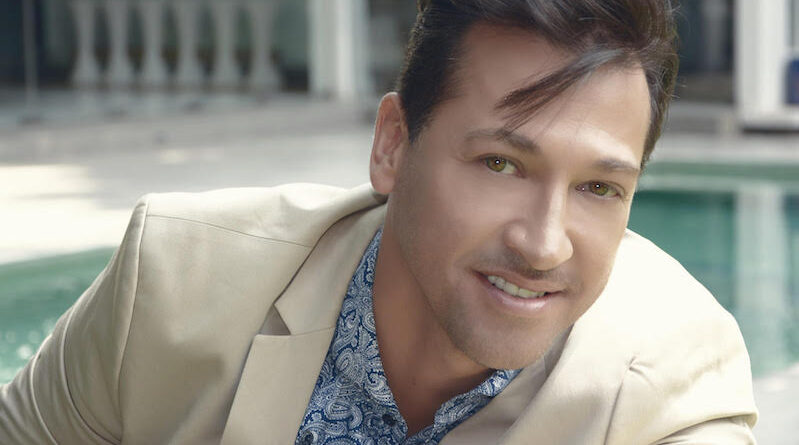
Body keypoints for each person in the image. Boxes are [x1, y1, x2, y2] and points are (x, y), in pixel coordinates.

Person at [1, 0, 758, 443]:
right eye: (500, 163)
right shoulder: (172, 281)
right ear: (393, 145)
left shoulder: (670, 386)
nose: (542, 243)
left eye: (598, 187)